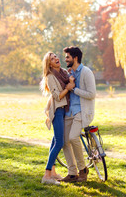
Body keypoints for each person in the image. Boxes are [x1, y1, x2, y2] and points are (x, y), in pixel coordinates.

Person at [60, 46, 96, 183]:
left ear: (75, 58)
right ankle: (72, 173)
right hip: (69, 111)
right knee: (64, 140)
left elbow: (92, 94)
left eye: (67, 57)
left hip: (83, 111)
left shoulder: (86, 72)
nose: (65, 59)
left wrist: (74, 89)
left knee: (73, 137)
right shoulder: (71, 73)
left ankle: (83, 169)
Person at [40, 52, 75, 185]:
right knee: (59, 142)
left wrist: (71, 75)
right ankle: (47, 175)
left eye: (56, 56)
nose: (56, 59)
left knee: (55, 141)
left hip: (65, 109)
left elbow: (70, 79)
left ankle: (53, 172)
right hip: (58, 111)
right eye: (52, 58)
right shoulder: (50, 76)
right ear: (49, 63)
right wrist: (68, 88)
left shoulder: (63, 72)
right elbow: (57, 96)